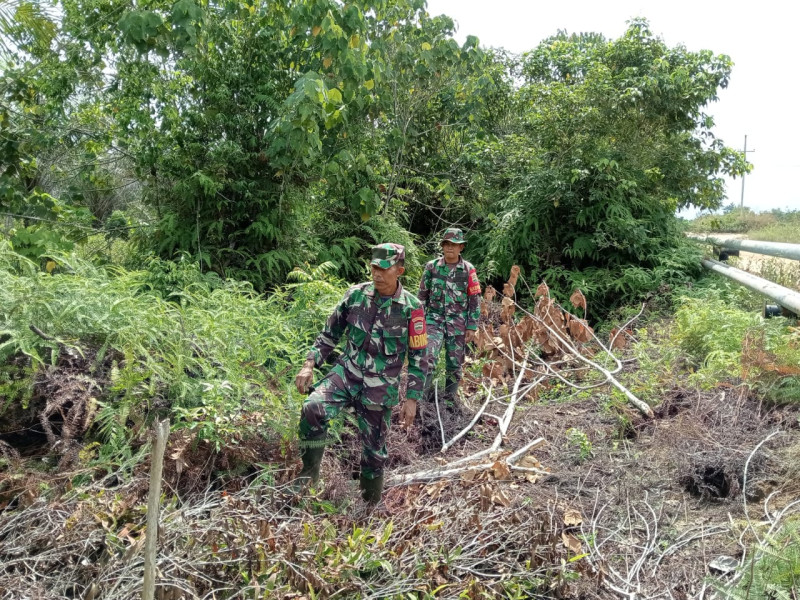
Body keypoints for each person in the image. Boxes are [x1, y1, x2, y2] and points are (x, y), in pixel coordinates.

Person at [293, 243, 428, 505]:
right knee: (313, 407)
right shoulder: (355, 295)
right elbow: (329, 334)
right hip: (347, 373)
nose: (377, 274)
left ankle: (369, 507)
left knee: (374, 452)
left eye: (384, 269)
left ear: (399, 270)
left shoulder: (412, 308)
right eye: (374, 267)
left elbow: (419, 357)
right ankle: (308, 478)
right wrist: (310, 363)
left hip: (380, 386)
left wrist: (412, 398)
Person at [416, 228, 481, 410]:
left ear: (461, 247)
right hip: (433, 320)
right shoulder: (432, 267)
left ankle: (450, 404)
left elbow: (474, 299)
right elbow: (421, 297)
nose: (450, 248)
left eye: (454, 245)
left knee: (454, 364)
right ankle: (423, 403)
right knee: (428, 357)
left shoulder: (468, 270)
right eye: (447, 244)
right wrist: (418, 323)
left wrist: (472, 326)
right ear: (442, 246)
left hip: (458, 323)